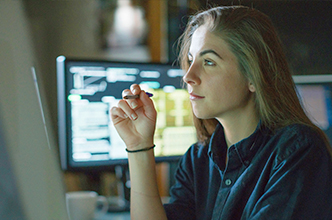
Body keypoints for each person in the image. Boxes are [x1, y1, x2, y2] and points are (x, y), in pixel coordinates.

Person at [110, 5, 332, 220]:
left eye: (208, 62)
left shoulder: (298, 151)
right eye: (190, 60)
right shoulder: (196, 161)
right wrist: (139, 146)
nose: (188, 76)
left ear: (254, 77)